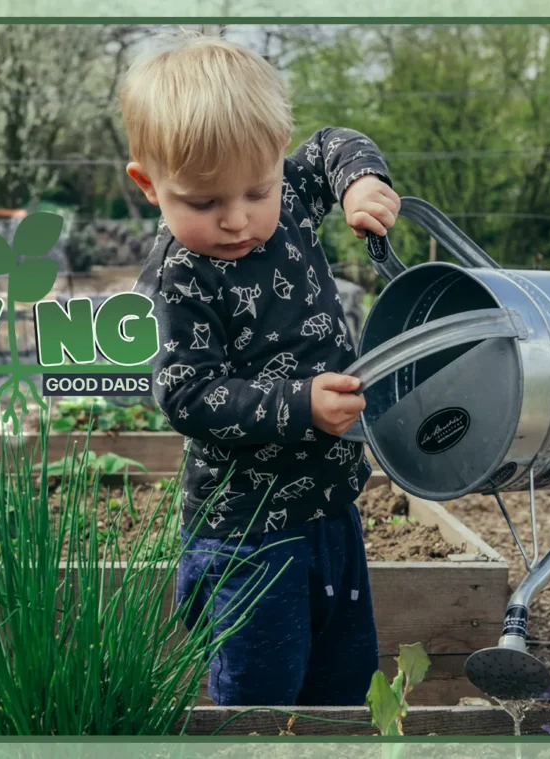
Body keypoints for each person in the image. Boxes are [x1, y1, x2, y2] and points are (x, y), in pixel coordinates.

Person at [121, 30, 401, 707]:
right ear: (148, 184)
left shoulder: (294, 196)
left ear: (277, 159)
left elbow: (335, 141)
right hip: (247, 533)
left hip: (333, 507)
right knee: (261, 693)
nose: (237, 219)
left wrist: (362, 182)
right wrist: (300, 404)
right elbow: (188, 395)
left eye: (256, 189)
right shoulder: (176, 279)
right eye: (203, 202)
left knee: (344, 675)